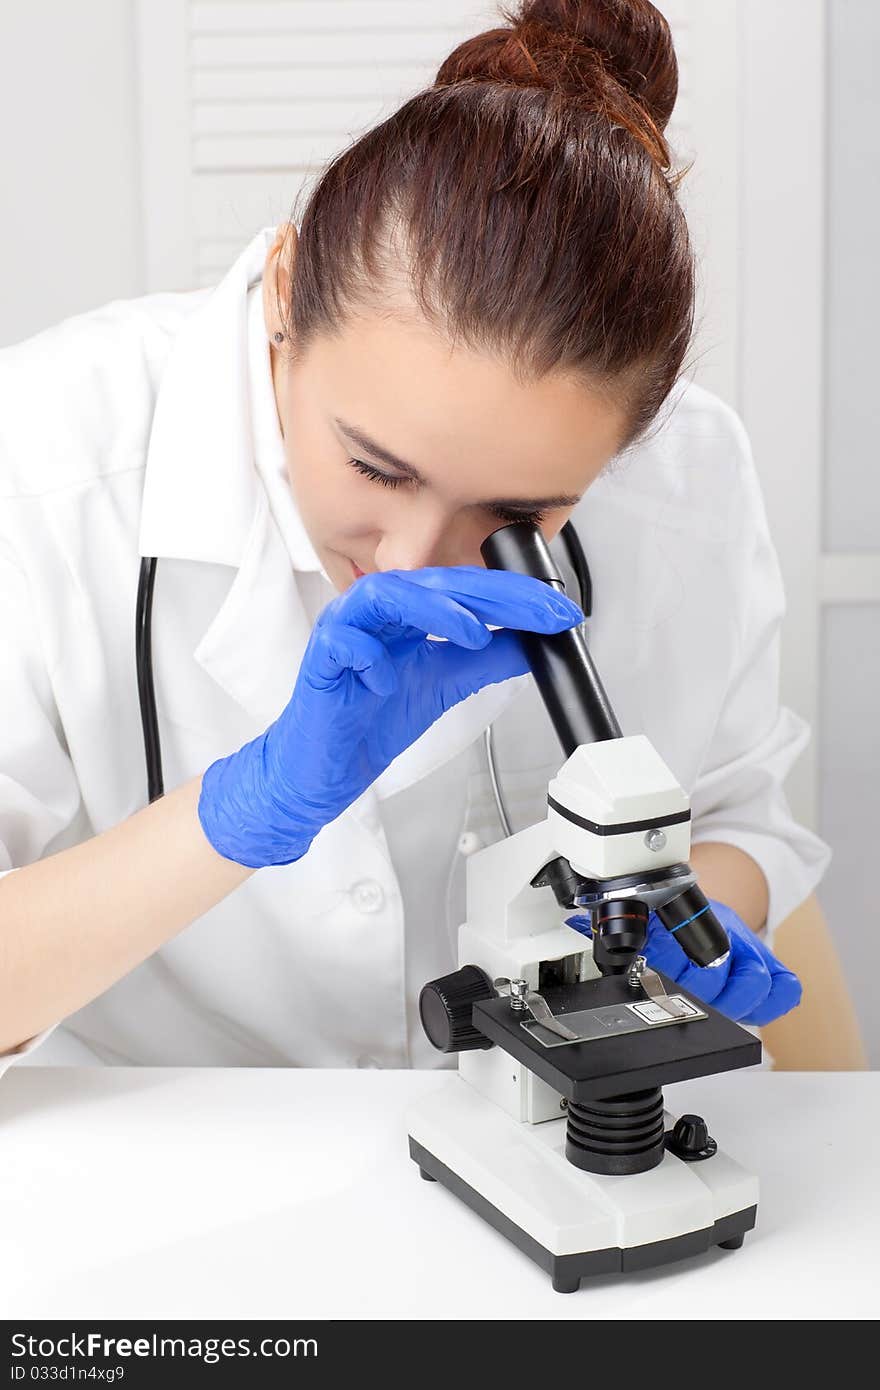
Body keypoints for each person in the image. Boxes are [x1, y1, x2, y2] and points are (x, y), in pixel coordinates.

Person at [0, 0, 839, 1074]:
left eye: (516, 517)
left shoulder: (687, 477)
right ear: (289, 293)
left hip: (515, 1133)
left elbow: (735, 812)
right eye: (375, 467)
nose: (409, 559)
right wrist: (235, 815)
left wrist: (677, 925)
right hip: (161, 1162)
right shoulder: (45, 465)